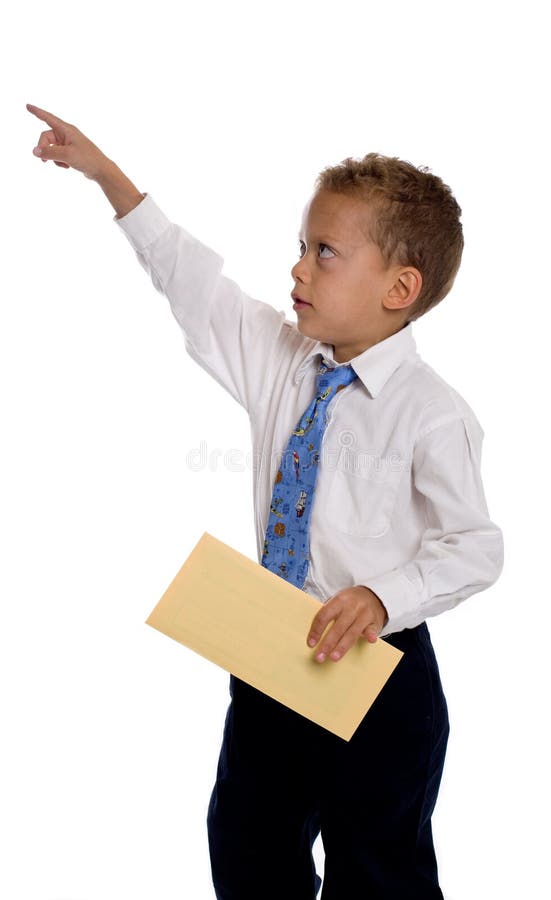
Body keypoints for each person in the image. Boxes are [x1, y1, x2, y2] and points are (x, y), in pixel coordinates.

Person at [27, 103, 504, 899]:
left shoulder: (432, 411)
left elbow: (475, 545)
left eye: (325, 254)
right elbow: (193, 283)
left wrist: (382, 597)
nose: (298, 271)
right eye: (301, 248)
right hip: (269, 657)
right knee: (247, 846)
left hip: (380, 681)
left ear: (400, 287)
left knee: (378, 867)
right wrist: (109, 178)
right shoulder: (286, 364)